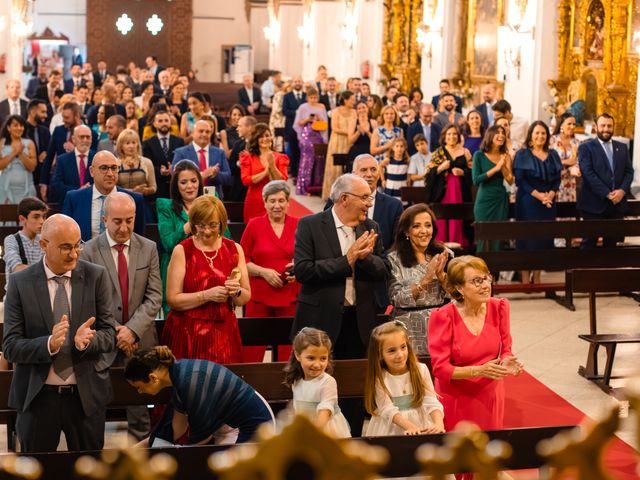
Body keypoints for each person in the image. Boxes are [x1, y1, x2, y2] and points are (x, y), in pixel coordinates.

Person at [3, 214, 117, 452]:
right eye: (66, 247)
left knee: (91, 469)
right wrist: (49, 345)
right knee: (36, 469)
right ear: (44, 245)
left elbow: (109, 333)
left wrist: (87, 341)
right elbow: (11, 345)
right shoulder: (20, 282)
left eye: (78, 245)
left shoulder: (96, 276)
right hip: (38, 398)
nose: (74, 254)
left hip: (85, 397)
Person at [81, 193, 161, 441]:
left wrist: (133, 330)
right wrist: (118, 331)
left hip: (139, 342)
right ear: (105, 219)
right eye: (117, 221)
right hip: (104, 341)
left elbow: (155, 296)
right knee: (95, 412)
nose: (124, 227)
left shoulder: (148, 248)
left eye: (129, 220)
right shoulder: (89, 251)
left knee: (139, 409)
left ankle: (143, 463)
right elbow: (88, 301)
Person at [293, 173, 388, 360]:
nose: (369, 203)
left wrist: (366, 258)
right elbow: (303, 271)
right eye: (364, 197)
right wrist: (347, 260)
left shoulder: (371, 227)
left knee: (356, 384)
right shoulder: (309, 225)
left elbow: (384, 270)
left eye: (370, 197)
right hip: (320, 320)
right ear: (344, 198)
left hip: (360, 321)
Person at [428, 256, 523, 434]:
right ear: (459, 288)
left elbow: (506, 349)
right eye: (476, 281)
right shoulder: (443, 316)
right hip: (457, 397)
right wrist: (479, 370)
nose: (485, 285)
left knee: (489, 450)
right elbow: (440, 369)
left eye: (486, 277)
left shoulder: (500, 307)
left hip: (490, 394)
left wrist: (506, 362)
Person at [125, 346, 274, 446]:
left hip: (257, 425)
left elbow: (202, 436)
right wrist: (139, 448)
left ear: (153, 378)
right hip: (233, 425)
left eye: (139, 387)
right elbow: (176, 427)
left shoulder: (188, 380)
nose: (139, 392)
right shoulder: (178, 373)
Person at [162, 195, 250, 363]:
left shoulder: (234, 249)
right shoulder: (182, 251)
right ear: (193, 224)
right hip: (188, 333)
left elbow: (245, 297)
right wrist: (206, 295)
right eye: (201, 225)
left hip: (224, 335)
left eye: (213, 225)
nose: (207, 231)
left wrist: (235, 291)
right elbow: (172, 299)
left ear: (222, 223)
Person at [387, 204, 450, 355]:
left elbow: (458, 295)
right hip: (407, 327)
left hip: (441, 325)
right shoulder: (393, 259)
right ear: (406, 231)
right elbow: (397, 298)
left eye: (428, 225)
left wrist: (442, 277)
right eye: (416, 226)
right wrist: (425, 280)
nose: (424, 231)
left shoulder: (445, 253)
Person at [364, 321, 445, 436]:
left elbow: (430, 401)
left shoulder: (421, 370)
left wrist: (438, 423)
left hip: (421, 423)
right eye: (392, 351)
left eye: (403, 347)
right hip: (391, 428)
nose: (400, 355)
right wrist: (410, 427)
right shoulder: (380, 377)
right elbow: (387, 409)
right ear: (379, 354)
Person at [513, 121, 562, 283]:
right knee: (527, 239)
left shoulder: (553, 154)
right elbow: (520, 180)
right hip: (528, 201)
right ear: (531, 136)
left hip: (548, 203)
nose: (540, 136)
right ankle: (525, 278)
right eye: (537, 133)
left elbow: (557, 179)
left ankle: (538, 275)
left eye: (543, 133)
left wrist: (551, 194)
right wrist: (540, 196)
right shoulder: (522, 154)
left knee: (543, 239)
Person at [241, 180, 298, 317]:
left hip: (290, 294)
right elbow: (241, 259)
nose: (277, 206)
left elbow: (308, 257)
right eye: (272, 201)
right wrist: (263, 272)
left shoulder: (300, 225)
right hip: (259, 295)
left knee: (289, 337)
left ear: (288, 202)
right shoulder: (254, 225)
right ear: (265, 203)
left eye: (281, 200)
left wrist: (298, 268)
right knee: (259, 338)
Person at [577, 113, 634, 248]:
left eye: (609, 126)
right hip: (593, 205)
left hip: (616, 206)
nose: (606, 129)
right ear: (596, 127)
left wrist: (621, 191)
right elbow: (588, 174)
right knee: (588, 245)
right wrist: (608, 194)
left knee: (612, 247)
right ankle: (585, 269)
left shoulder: (622, 147)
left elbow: (629, 172)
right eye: (603, 125)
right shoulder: (586, 147)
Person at [283, 327, 351, 438]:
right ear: (298, 355)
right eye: (311, 358)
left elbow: (326, 409)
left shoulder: (328, 382)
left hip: (326, 430)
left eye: (323, 358)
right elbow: (297, 408)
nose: (317, 364)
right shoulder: (296, 380)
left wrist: (314, 432)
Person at [62, 150, 145, 241]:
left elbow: (138, 240)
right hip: (84, 253)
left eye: (114, 168)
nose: (110, 174)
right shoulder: (74, 199)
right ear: (92, 171)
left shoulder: (134, 200)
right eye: (104, 168)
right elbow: (66, 236)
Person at [156, 161, 202, 314]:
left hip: (203, 269)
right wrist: (192, 221)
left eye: (193, 181)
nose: (190, 186)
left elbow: (225, 237)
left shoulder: (209, 202)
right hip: (175, 271)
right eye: (184, 182)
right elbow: (168, 243)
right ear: (176, 185)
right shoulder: (165, 206)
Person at [425, 125, 472, 246]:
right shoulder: (438, 153)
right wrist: (441, 168)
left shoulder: (465, 152)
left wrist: (463, 173)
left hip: (460, 192)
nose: (452, 136)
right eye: (449, 134)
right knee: (441, 218)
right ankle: (440, 245)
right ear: (444, 137)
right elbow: (427, 174)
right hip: (443, 192)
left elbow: (473, 172)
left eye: (454, 134)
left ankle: (459, 244)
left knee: (458, 218)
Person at [472, 125, 513, 252]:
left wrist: (504, 166)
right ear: (490, 135)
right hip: (484, 200)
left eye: (503, 133)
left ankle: (496, 271)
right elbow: (476, 180)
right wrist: (496, 168)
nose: (501, 135)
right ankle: (480, 270)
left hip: (500, 199)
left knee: (498, 236)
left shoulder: (506, 156)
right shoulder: (479, 155)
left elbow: (510, 180)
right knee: (483, 236)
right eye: (497, 133)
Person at [240, 123, 289, 222]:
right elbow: (246, 180)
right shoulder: (247, 157)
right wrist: (265, 173)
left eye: (267, 135)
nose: (264, 139)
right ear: (256, 139)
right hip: (254, 202)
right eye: (261, 136)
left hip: (275, 203)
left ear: (271, 137)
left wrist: (272, 166)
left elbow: (282, 181)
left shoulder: (280, 157)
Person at [172, 120, 232, 192]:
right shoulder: (181, 152)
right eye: (201, 131)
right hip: (189, 197)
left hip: (213, 199)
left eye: (207, 132)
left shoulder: (219, 153)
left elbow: (228, 178)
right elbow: (174, 175)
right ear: (192, 133)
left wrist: (215, 174)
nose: (204, 134)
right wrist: (202, 175)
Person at [3, 197, 47, 285]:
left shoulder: (44, 239)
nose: (42, 221)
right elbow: (17, 268)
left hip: (36, 294)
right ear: (22, 219)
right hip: (16, 296)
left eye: (44, 216)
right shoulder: (11, 240)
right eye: (36, 217)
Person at [142, 110, 185, 200]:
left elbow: (183, 163)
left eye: (166, 120)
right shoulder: (147, 143)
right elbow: (147, 165)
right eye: (160, 121)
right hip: (157, 190)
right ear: (154, 124)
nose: (164, 123)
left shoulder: (179, 141)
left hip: (176, 188)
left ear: (170, 122)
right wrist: (160, 171)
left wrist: (174, 168)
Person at [321, 91, 356, 199]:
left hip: (349, 142)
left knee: (347, 165)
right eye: (352, 99)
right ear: (345, 100)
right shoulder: (336, 111)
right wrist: (349, 132)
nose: (354, 102)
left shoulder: (354, 112)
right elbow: (334, 127)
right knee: (334, 168)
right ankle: (332, 194)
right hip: (337, 140)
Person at [294, 87, 328, 195]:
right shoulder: (303, 107)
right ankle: (304, 187)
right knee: (307, 160)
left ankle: (316, 188)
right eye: (311, 97)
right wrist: (308, 119)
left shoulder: (321, 106)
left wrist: (319, 118)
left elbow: (325, 124)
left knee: (319, 160)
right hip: (307, 135)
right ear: (307, 98)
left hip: (318, 134)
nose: (313, 100)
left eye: (315, 97)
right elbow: (298, 123)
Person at [50, 124, 94, 203]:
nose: (85, 140)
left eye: (88, 137)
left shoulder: (97, 159)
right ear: (73, 139)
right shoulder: (62, 160)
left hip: (92, 203)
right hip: (69, 203)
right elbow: (56, 185)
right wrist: (78, 190)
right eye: (81, 137)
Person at [0, 115, 37, 203]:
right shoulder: (2, 143)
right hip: (5, 188)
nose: (19, 128)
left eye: (21, 125)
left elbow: (32, 167)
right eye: (16, 125)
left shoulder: (29, 143)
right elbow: (0, 166)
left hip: (26, 189)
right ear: (9, 128)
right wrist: (14, 153)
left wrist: (21, 153)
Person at [550, 112, 581, 203]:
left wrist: (577, 168)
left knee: (568, 212)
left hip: (570, 184)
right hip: (553, 184)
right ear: (561, 125)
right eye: (569, 123)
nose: (572, 126)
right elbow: (547, 161)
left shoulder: (577, 142)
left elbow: (578, 161)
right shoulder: (552, 140)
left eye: (574, 124)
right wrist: (565, 162)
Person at [282, 76, 306, 180]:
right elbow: (285, 111)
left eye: (299, 81)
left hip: (305, 129)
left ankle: (303, 173)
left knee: (303, 152)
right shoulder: (287, 96)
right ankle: (295, 173)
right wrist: (297, 112)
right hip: (291, 128)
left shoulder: (306, 96)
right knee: (294, 151)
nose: (297, 83)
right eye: (296, 81)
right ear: (293, 83)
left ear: (302, 83)